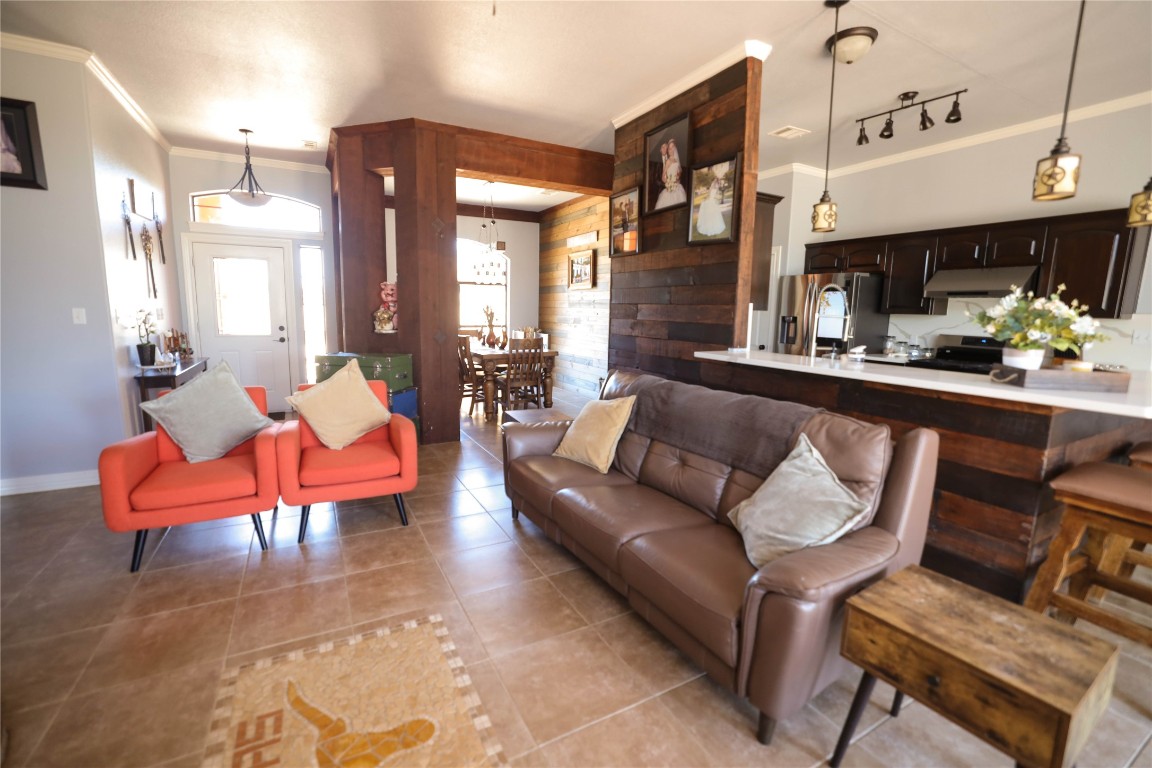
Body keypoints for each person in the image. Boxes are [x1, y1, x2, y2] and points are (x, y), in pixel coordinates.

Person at [655, 138, 687, 209]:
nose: (671, 149)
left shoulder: (677, 161)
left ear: (675, 148)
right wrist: (669, 184)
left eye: (673, 147)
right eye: (669, 148)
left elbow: (679, 174)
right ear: (668, 150)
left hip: (678, 187)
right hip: (669, 189)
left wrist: (678, 178)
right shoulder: (668, 161)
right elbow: (663, 177)